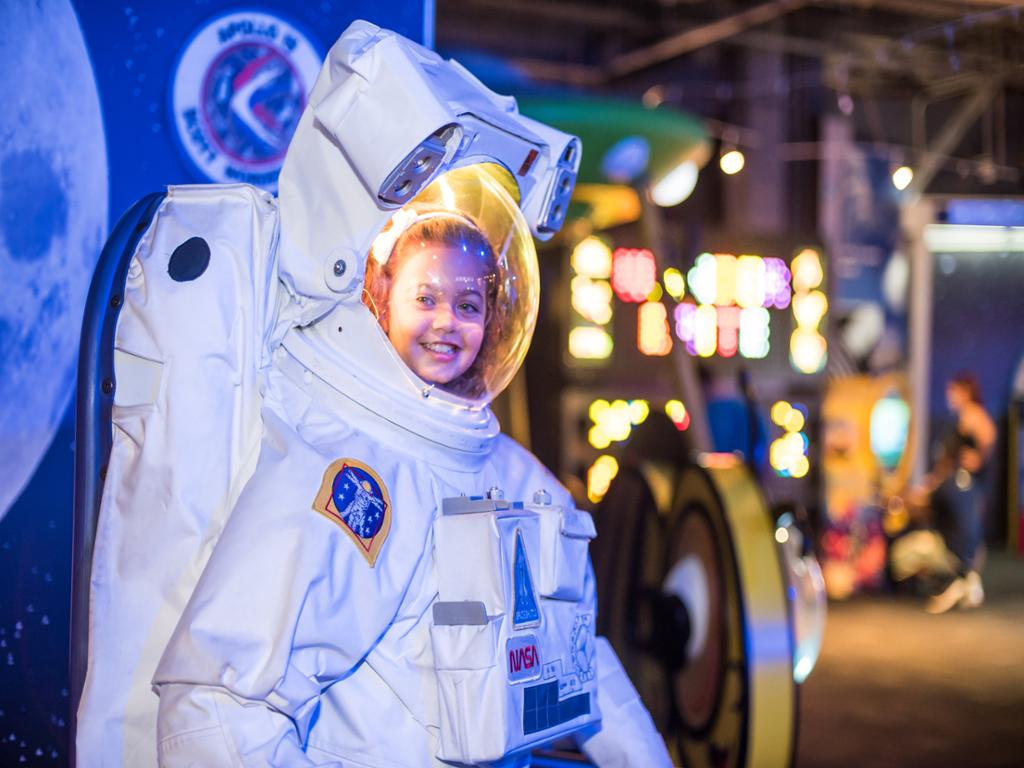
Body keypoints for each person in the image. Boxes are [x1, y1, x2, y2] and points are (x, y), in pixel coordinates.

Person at [146, 22, 671, 768]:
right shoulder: (351, 477)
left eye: (468, 303)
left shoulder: (517, 480)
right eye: (426, 297)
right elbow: (214, 712)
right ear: (378, 297)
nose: (447, 322)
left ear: (497, 316)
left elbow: (577, 663)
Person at [895, 372, 996, 613]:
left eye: (953, 391)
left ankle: (961, 578)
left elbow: (988, 436)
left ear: (965, 391)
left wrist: (979, 459)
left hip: (962, 490)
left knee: (960, 537)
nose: (949, 396)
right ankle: (963, 580)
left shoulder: (972, 414)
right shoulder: (962, 419)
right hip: (951, 489)